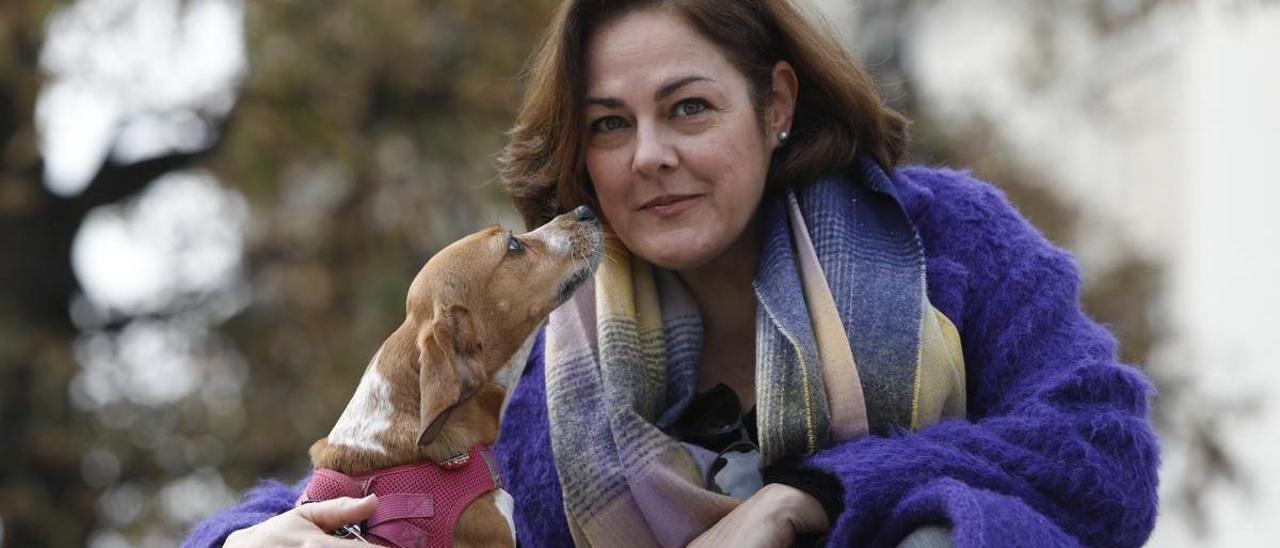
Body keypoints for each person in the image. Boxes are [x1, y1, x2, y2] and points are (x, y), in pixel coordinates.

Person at [187, 1, 1160, 547]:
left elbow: (1100, 450)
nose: (646, 153)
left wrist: (807, 496)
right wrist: (239, 544)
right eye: (609, 122)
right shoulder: (555, 366)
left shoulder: (940, 241)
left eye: (687, 108)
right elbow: (384, 484)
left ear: (773, 101)